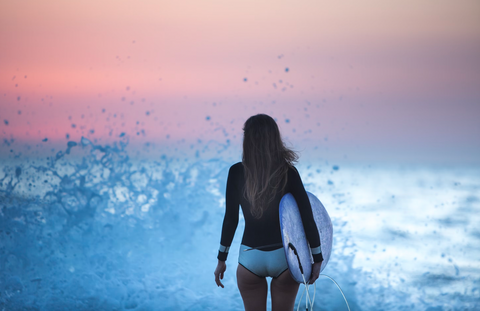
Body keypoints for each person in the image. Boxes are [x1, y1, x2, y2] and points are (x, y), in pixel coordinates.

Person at [214, 114, 323, 311]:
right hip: (285, 259)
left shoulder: (236, 172)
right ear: (274, 139)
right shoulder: (288, 172)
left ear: (247, 140)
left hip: (249, 258)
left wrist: (222, 259)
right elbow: (307, 217)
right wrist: (317, 258)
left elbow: (231, 219)